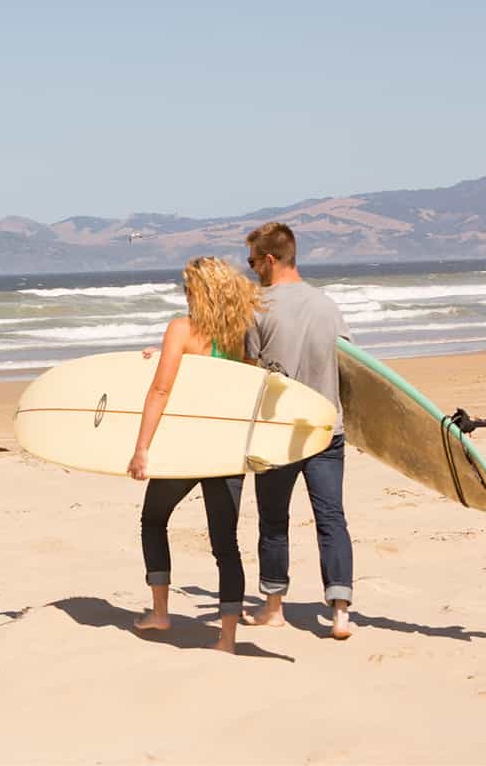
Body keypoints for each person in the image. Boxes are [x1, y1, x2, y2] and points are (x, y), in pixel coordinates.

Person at [127, 256, 262, 653]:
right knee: (226, 545)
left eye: (187, 288)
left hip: (187, 450)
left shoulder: (182, 330)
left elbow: (161, 391)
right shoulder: (244, 334)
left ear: (198, 293)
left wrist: (141, 449)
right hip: (227, 451)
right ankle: (227, 639)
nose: (184, 295)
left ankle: (161, 612)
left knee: (153, 520)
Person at [240, 222, 355, 639]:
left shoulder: (258, 308)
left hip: (278, 434)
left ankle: (274, 608)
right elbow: (350, 367)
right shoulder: (327, 304)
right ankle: (341, 612)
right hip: (327, 429)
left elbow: (247, 371)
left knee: (273, 521)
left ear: (270, 260)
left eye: (252, 261)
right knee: (331, 519)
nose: (251, 269)